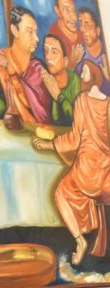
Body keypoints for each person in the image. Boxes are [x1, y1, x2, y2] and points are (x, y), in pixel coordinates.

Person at [33, 59, 110, 266]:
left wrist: (50, 145)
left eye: (84, 70)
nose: (80, 74)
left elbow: (74, 139)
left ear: (93, 74)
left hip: (87, 167)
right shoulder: (109, 103)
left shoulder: (82, 100)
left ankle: (80, 242)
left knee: (60, 194)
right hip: (105, 169)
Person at [0, 6, 52, 129]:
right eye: (29, 31)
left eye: (36, 32)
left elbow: (45, 114)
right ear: (15, 31)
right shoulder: (2, 58)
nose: (36, 38)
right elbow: (15, 105)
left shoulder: (38, 69)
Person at [42, 34, 81, 126]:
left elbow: (75, 119)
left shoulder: (75, 81)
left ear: (65, 61)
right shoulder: (44, 78)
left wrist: (59, 96)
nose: (48, 57)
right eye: (46, 51)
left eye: (54, 52)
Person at [75, 7, 110, 95]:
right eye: (80, 24)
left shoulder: (107, 50)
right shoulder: (79, 55)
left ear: (98, 31)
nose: (82, 29)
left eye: (87, 24)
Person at [48, 0, 83, 70]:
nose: (74, 18)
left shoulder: (82, 32)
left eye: (73, 10)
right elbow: (58, 77)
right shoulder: (53, 39)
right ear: (57, 10)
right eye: (66, 10)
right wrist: (72, 63)